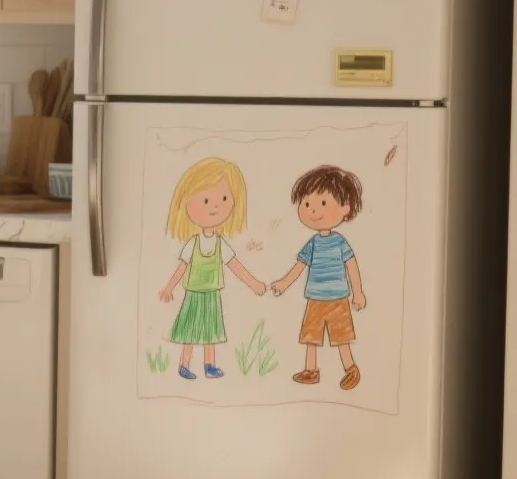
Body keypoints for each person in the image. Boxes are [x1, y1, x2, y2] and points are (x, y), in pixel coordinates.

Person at [157, 157, 266, 380]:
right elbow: (181, 267)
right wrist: (168, 288)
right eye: (206, 200)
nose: (215, 207)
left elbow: (235, 266)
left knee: (211, 330)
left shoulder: (220, 243)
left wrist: (254, 283)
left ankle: (209, 365)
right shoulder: (193, 243)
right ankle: (184, 364)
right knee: (189, 328)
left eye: (224, 199)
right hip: (193, 294)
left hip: (212, 293)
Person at [270, 165, 369, 390]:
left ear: (346, 207)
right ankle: (310, 371)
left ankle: (351, 369)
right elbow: (299, 266)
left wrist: (358, 292)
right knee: (310, 337)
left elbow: (352, 266)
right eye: (306, 204)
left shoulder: (340, 242)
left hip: (338, 299)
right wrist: (283, 283)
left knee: (341, 337)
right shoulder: (312, 243)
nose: (313, 210)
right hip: (314, 298)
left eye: (323, 203)